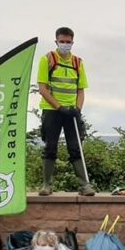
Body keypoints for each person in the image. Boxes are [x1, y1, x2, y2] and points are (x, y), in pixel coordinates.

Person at [36, 26, 94, 196]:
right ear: (56, 41)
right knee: (50, 147)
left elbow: (81, 89)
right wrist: (59, 107)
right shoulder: (47, 59)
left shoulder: (78, 62)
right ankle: (47, 184)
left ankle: (85, 185)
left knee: (76, 147)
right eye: (62, 41)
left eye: (68, 42)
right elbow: (42, 88)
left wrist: (77, 109)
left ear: (73, 42)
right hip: (52, 110)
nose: (65, 44)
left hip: (71, 111)